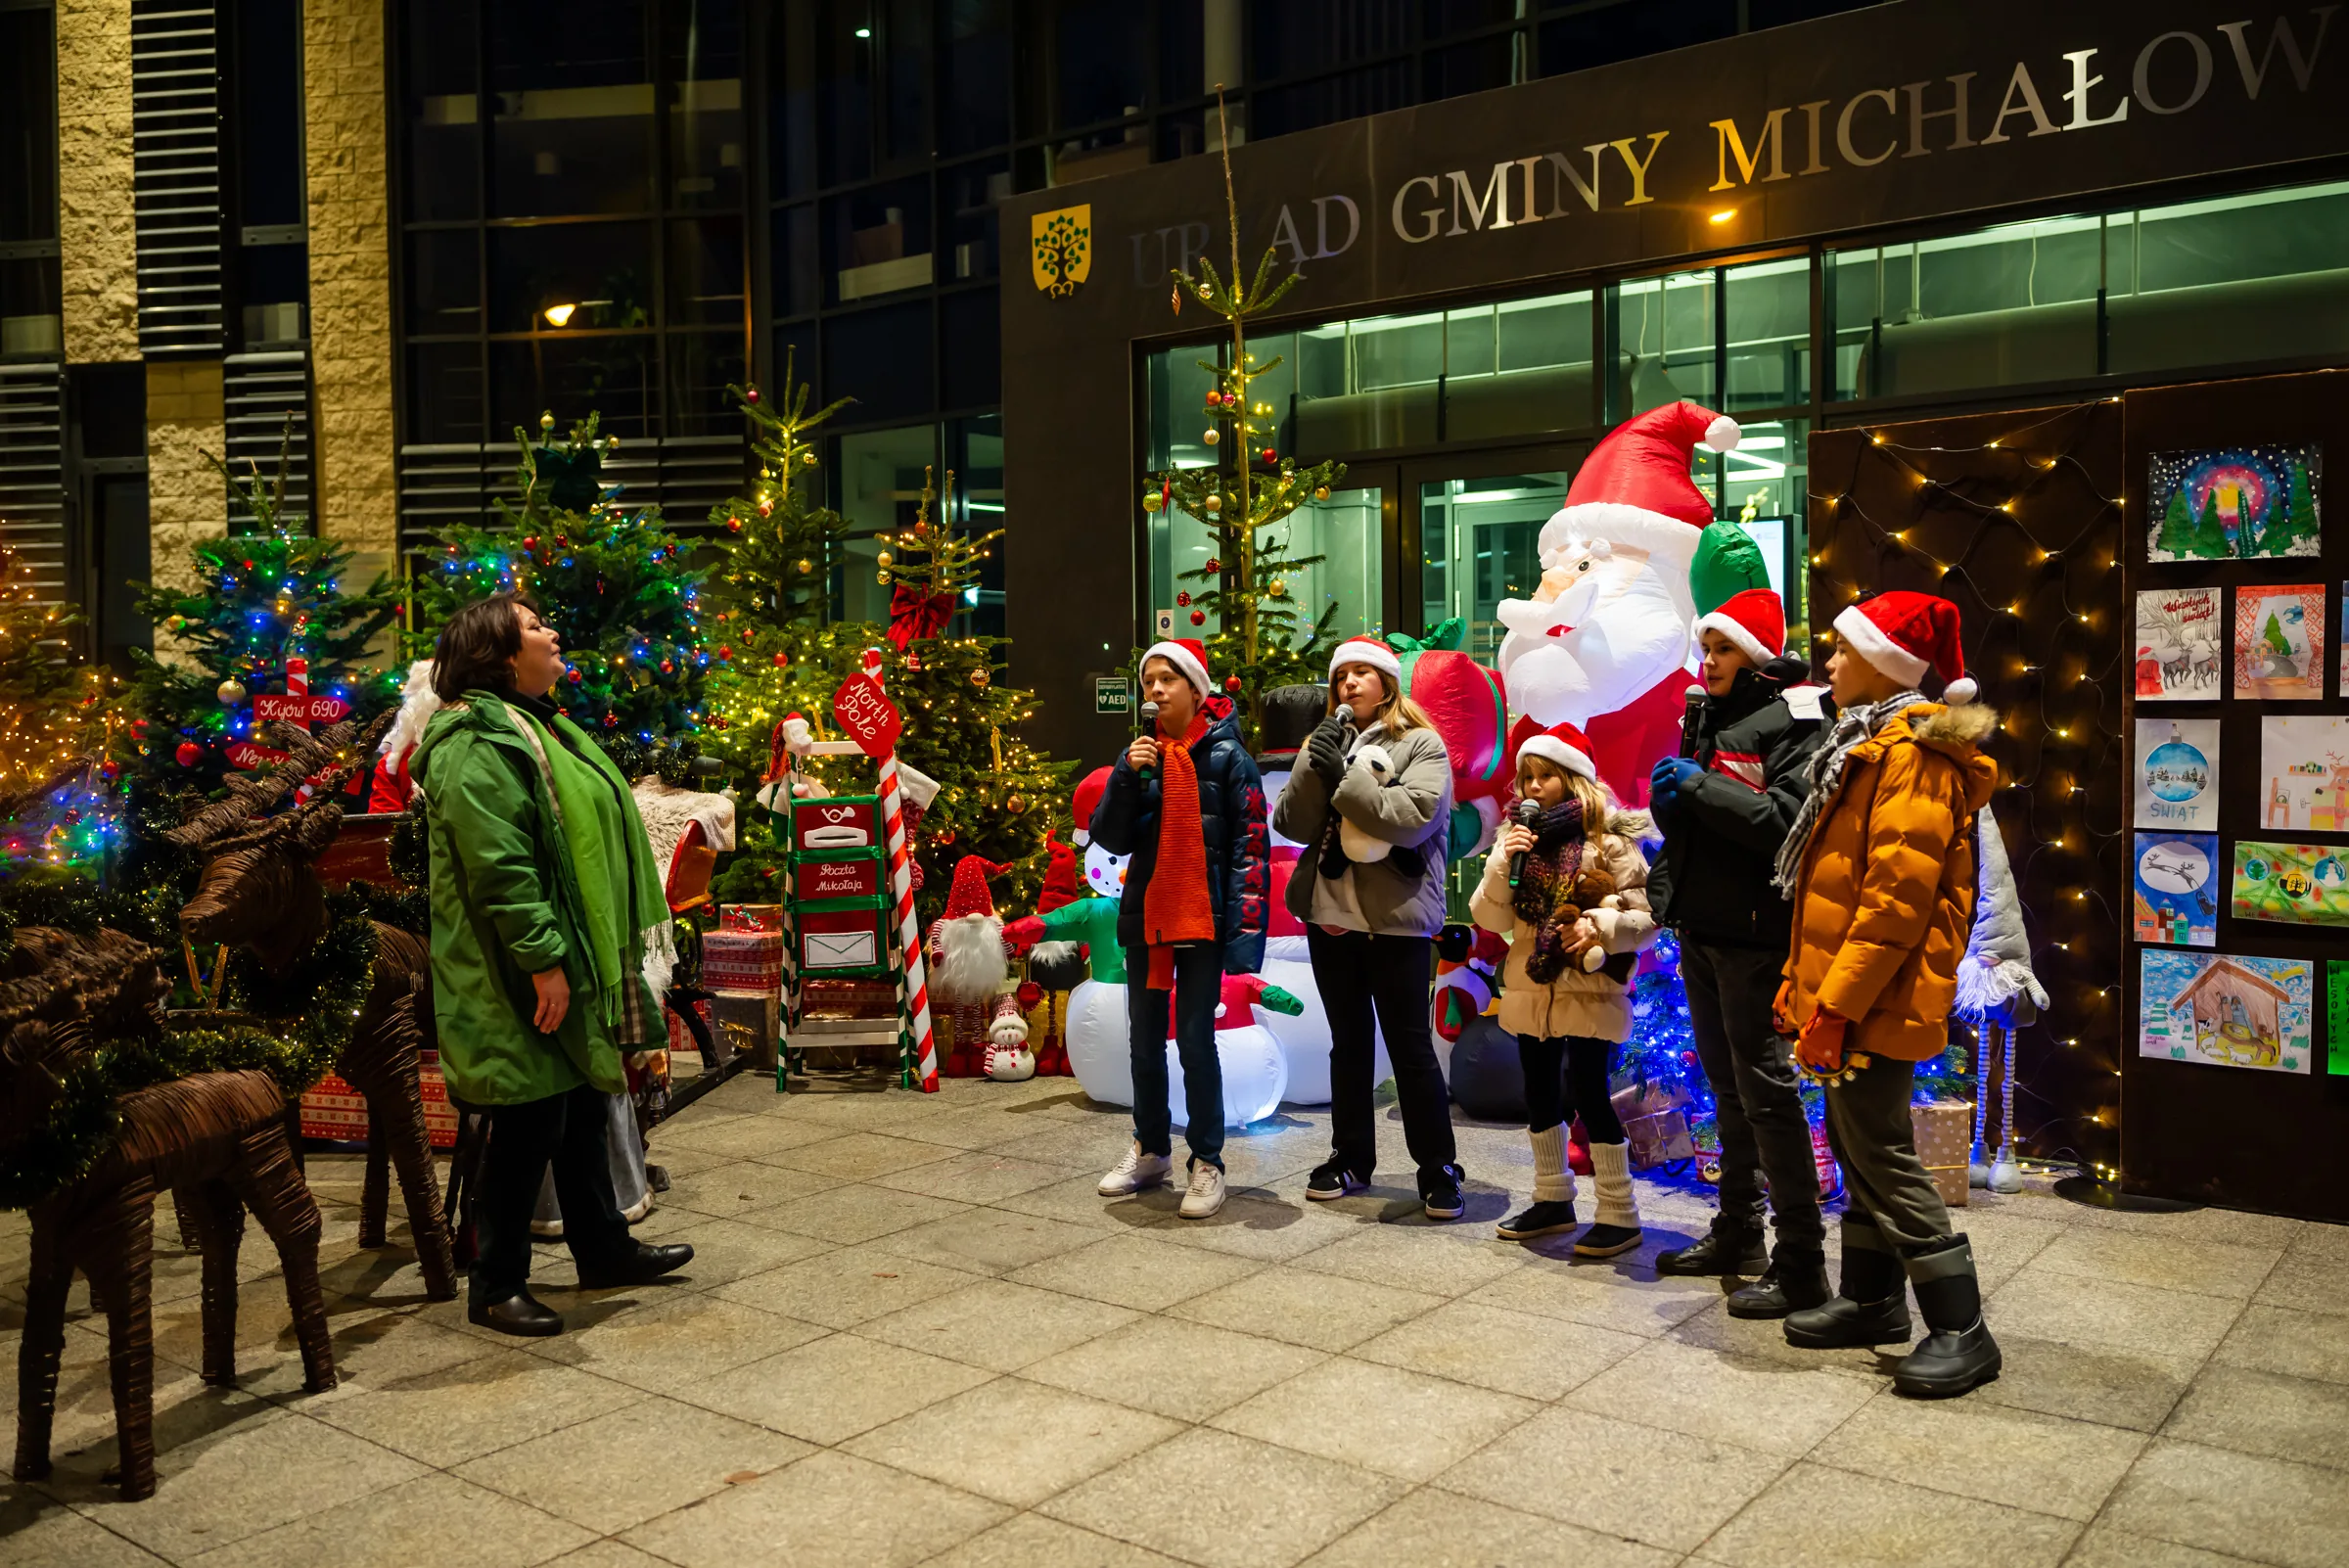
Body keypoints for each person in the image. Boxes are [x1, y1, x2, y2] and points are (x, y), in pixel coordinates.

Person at [409, 594, 692, 1335]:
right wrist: (544, 963)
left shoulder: (539, 725)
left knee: (580, 1109)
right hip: (509, 969)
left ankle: (604, 1250)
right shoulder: (476, 741)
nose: (553, 632)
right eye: (534, 627)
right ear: (499, 654)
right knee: (528, 1122)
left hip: (559, 952)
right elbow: (501, 867)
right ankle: (495, 1284)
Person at [1773, 588, 2001, 1398]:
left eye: (1842, 647)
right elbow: (1835, 892)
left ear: (1885, 661)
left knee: (1881, 1150)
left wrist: (1835, 1006)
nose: (1828, 660)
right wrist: (1804, 991)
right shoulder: (1864, 746)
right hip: (1852, 989)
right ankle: (1872, 1300)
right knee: (1857, 1136)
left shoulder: (1912, 758)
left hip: (1878, 994)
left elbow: (1893, 906)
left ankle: (1963, 1329)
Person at [1644, 588, 1829, 1314]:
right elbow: (1707, 821)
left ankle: (1802, 1259)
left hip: (1755, 935)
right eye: (1706, 647)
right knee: (1727, 1091)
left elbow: (1788, 822)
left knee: (1765, 1096)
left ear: (1754, 653)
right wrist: (1673, 805)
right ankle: (1738, 1232)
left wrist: (1702, 789)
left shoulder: (1794, 718)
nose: (1709, 660)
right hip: (1703, 926)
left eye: (1723, 648)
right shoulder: (1708, 714)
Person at [1272, 637, 1463, 1218]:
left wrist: (1345, 778)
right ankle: (1351, 1157)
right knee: (1348, 1045)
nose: (1350, 683)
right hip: (1331, 919)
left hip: (1396, 925)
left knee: (1409, 1047)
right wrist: (1316, 760)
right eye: (1342, 676)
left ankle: (1437, 1168)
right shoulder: (1326, 739)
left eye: (1362, 673)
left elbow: (1410, 819)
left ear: (1388, 683)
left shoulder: (1421, 744)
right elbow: (1293, 821)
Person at [1087, 637, 1268, 1220]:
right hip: (1149, 918)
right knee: (1143, 1040)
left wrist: (1243, 937)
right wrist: (1124, 776)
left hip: (1203, 921)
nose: (1157, 691)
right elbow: (1110, 840)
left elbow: (1250, 851)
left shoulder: (1228, 757)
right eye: (1148, 682)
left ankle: (1208, 1161)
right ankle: (1150, 1149)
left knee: (1194, 1040)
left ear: (1196, 688)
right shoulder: (1140, 757)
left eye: (1168, 679)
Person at [1470, 721, 1656, 1256]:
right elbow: (1488, 915)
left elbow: (1646, 916)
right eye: (1526, 777)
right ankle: (1553, 1200)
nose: (1531, 788)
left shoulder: (1610, 842)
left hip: (1588, 986)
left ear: (1573, 780)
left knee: (1590, 1093)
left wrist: (1598, 924)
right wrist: (1506, 859)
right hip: (1533, 988)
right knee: (1539, 1092)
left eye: (1544, 777)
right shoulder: (1514, 841)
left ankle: (1620, 1213)